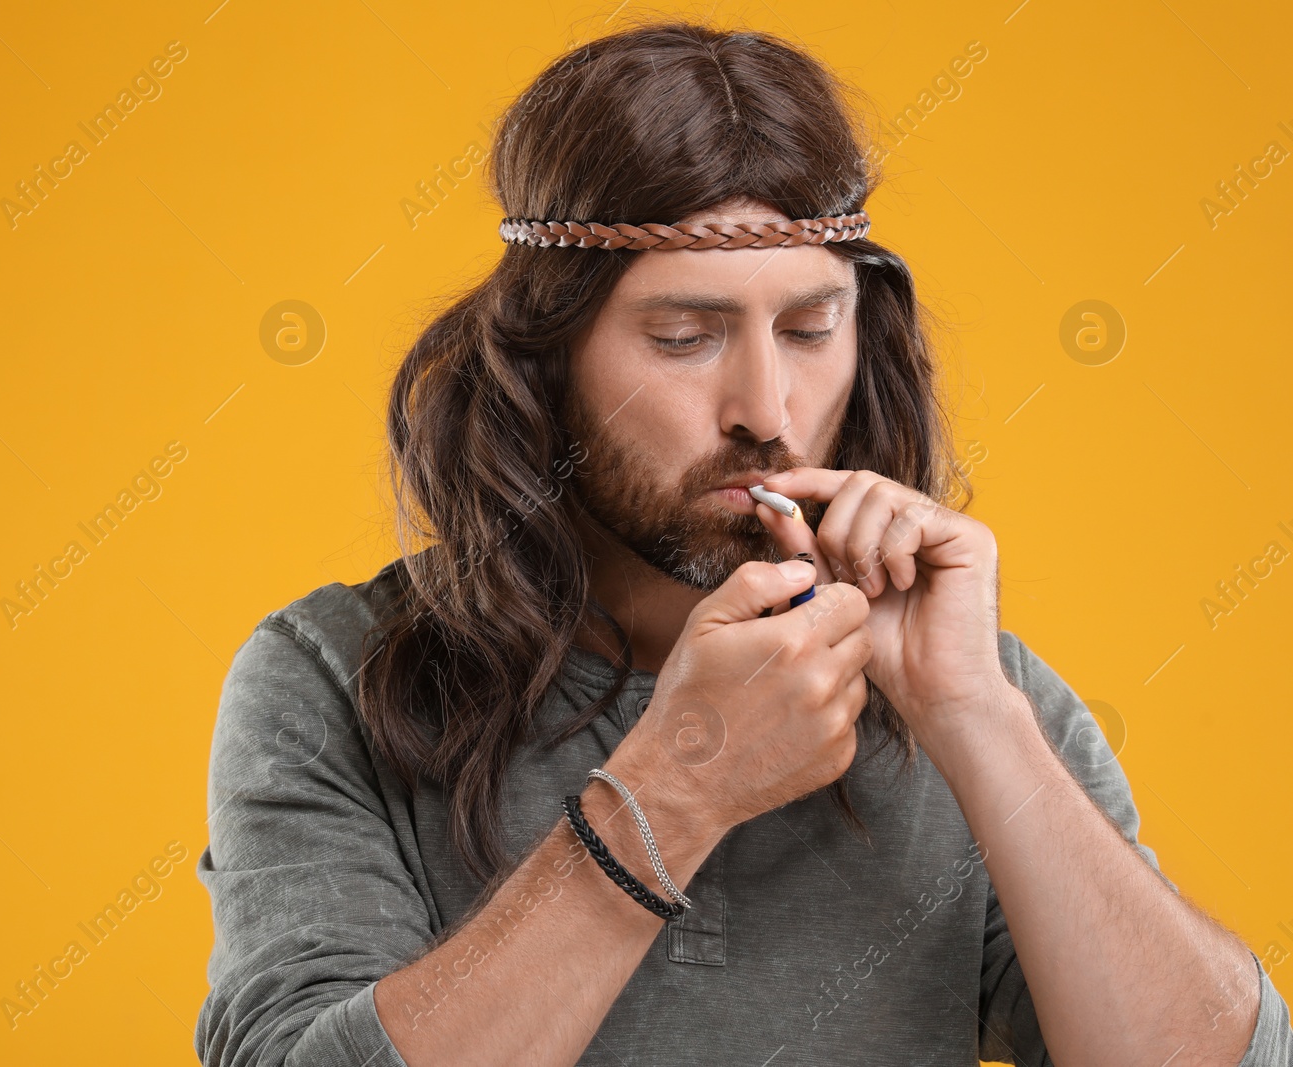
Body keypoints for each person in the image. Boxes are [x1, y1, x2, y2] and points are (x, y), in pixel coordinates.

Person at [193, 18, 1292, 1066]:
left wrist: (978, 722)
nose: (765, 407)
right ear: (542, 360)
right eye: (684, 336)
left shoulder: (981, 691)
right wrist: (674, 789)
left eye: (811, 330)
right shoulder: (330, 678)